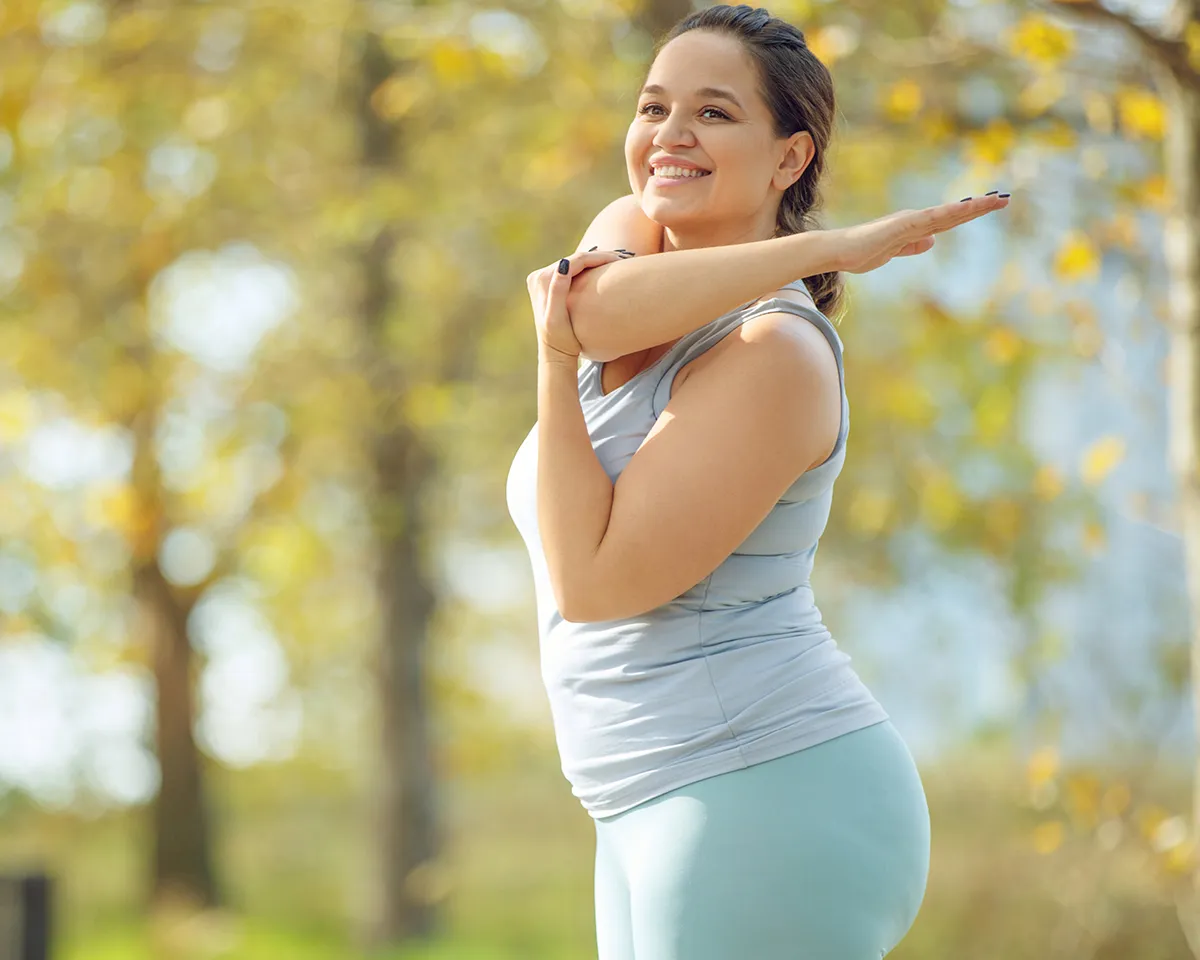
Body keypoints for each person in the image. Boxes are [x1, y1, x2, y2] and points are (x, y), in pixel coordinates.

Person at [506, 5, 1010, 957]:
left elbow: (595, 584)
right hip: (643, 797)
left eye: (714, 113)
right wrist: (829, 245)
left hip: (759, 786)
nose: (670, 136)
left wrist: (548, 355)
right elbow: (595, 316)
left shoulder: (774, 351)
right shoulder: (630, 239)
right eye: (654, 105)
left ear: (790, 160)